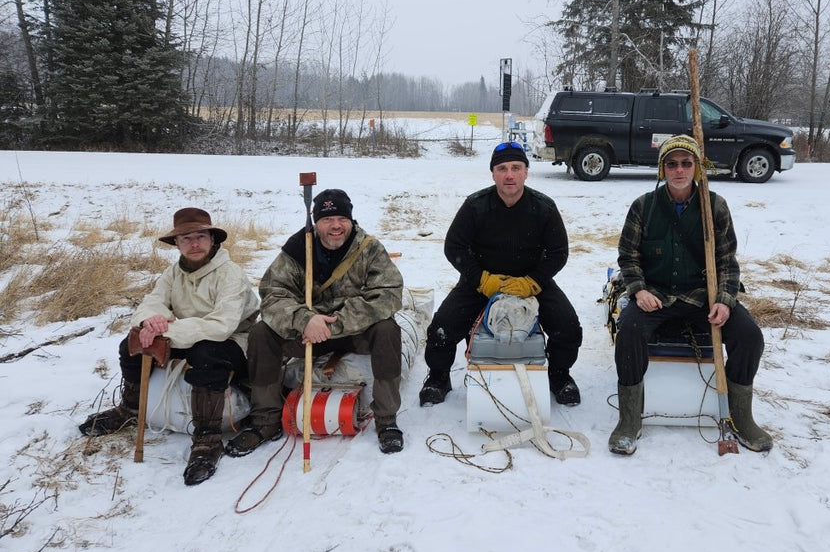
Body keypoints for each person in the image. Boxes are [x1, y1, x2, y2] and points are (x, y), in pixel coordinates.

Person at [609, 134, 773, 455]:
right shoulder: (643, 206)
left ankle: (741, 416)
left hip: (704, 296)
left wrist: (725, 301)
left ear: (697, 167)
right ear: (662, 169)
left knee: (750, 336)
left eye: (687, 163)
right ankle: (629, 419)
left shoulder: (715, 207)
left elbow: (727, 261)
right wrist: (639, 290)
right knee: (628, 331)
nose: (679, 170)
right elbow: (628, 257)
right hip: (656, 296)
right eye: (672, 164)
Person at [78, 208, 260, 485]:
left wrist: (168, 330)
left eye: (200, 236)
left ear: (213, 239)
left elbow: (222, 325)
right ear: (176, 243)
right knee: (133, 343)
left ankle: (207, 438)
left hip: (234, 341)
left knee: (206, 354)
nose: (194, 244)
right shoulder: (173, 273)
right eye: (186, 238)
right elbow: (152, 302)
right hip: (184, 334)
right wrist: (148, 323)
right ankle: (131, 408)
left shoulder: (230, 274)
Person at [225, 189, 406, 456]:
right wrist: (304, 319)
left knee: (388, 329)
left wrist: (334, 324)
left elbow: (388, 294)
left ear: (351, 220)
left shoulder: (368, 249)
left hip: (354, 330)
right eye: (327, 219)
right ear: (315, 221)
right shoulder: (298, 250)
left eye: (342, 218)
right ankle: (265, 420)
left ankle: (387, 420)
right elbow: (273, 295)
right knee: (263, 333)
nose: (336, 226)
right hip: (308, 332)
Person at [421, 140, 583, 407]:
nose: (509, 175)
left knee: (568, 327)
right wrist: (481, 279)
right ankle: (438, 377)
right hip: (482, 281)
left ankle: (559, 376)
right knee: (442, 327)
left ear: (526, 172)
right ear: (493, 173)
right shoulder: (475, 206)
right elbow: (454, 246)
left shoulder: (544, 207)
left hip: (530, 281)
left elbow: (558, 253)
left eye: (516, 168)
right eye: (502, 168)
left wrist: (533, 282)